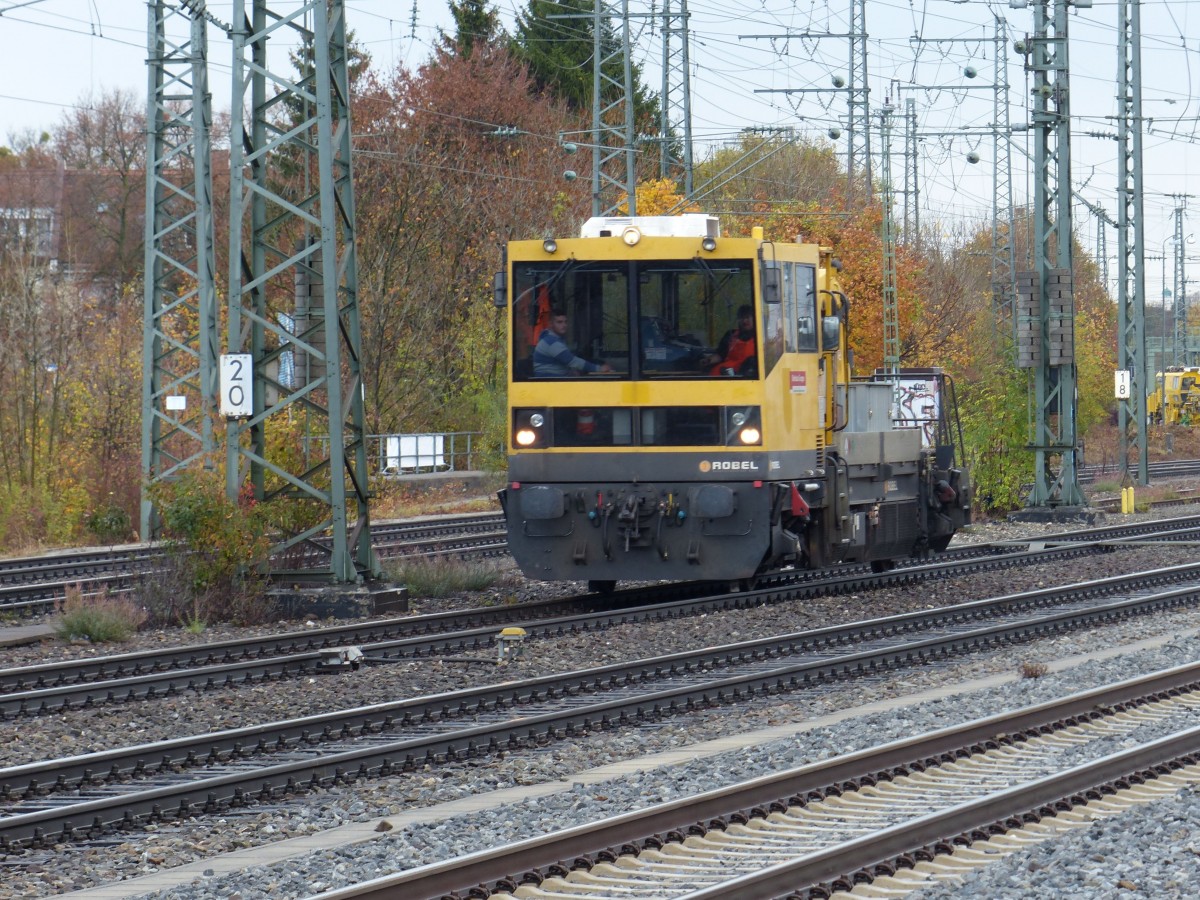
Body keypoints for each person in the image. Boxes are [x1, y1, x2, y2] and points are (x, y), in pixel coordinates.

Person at [532, 310, 613, 376]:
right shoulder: (551, 342)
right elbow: (573, 361)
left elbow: (564, 362)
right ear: (550, 324)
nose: (564, 325)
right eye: (559, 322)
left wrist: (571, 371)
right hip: (549, 381)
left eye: (565, 322)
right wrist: (599, 369)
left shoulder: (555, 339)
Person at [702, 304, 756, 376]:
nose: (744, 321)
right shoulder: (730, 335)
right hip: (725, 372)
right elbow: (720, 355)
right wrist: (708, 360)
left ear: (754, 318)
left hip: (747, 376)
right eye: (741, 318)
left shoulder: (760, 338)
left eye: (747, 317)